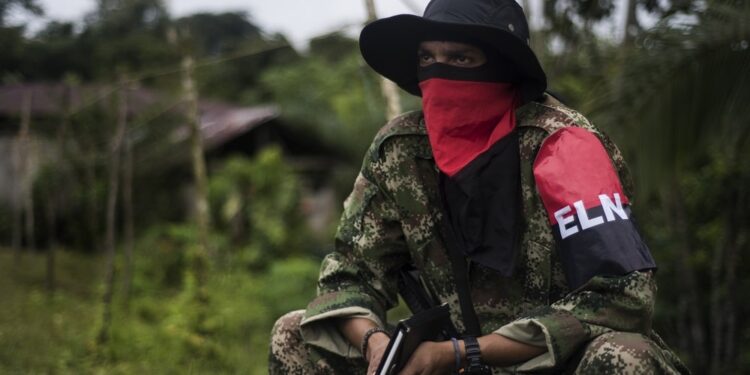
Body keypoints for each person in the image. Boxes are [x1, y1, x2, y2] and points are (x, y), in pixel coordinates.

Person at [270, 0, 690, 373]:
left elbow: (623, 298)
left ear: (501, 69)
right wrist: (376, 344)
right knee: (293, 333)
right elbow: (350, 276)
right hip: (446, 362)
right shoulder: (401, 151)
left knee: (624, 357)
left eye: (460, 59)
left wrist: (463, 352)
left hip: (554, 360)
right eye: (427, 59)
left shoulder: (563, 146)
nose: (440, 72)